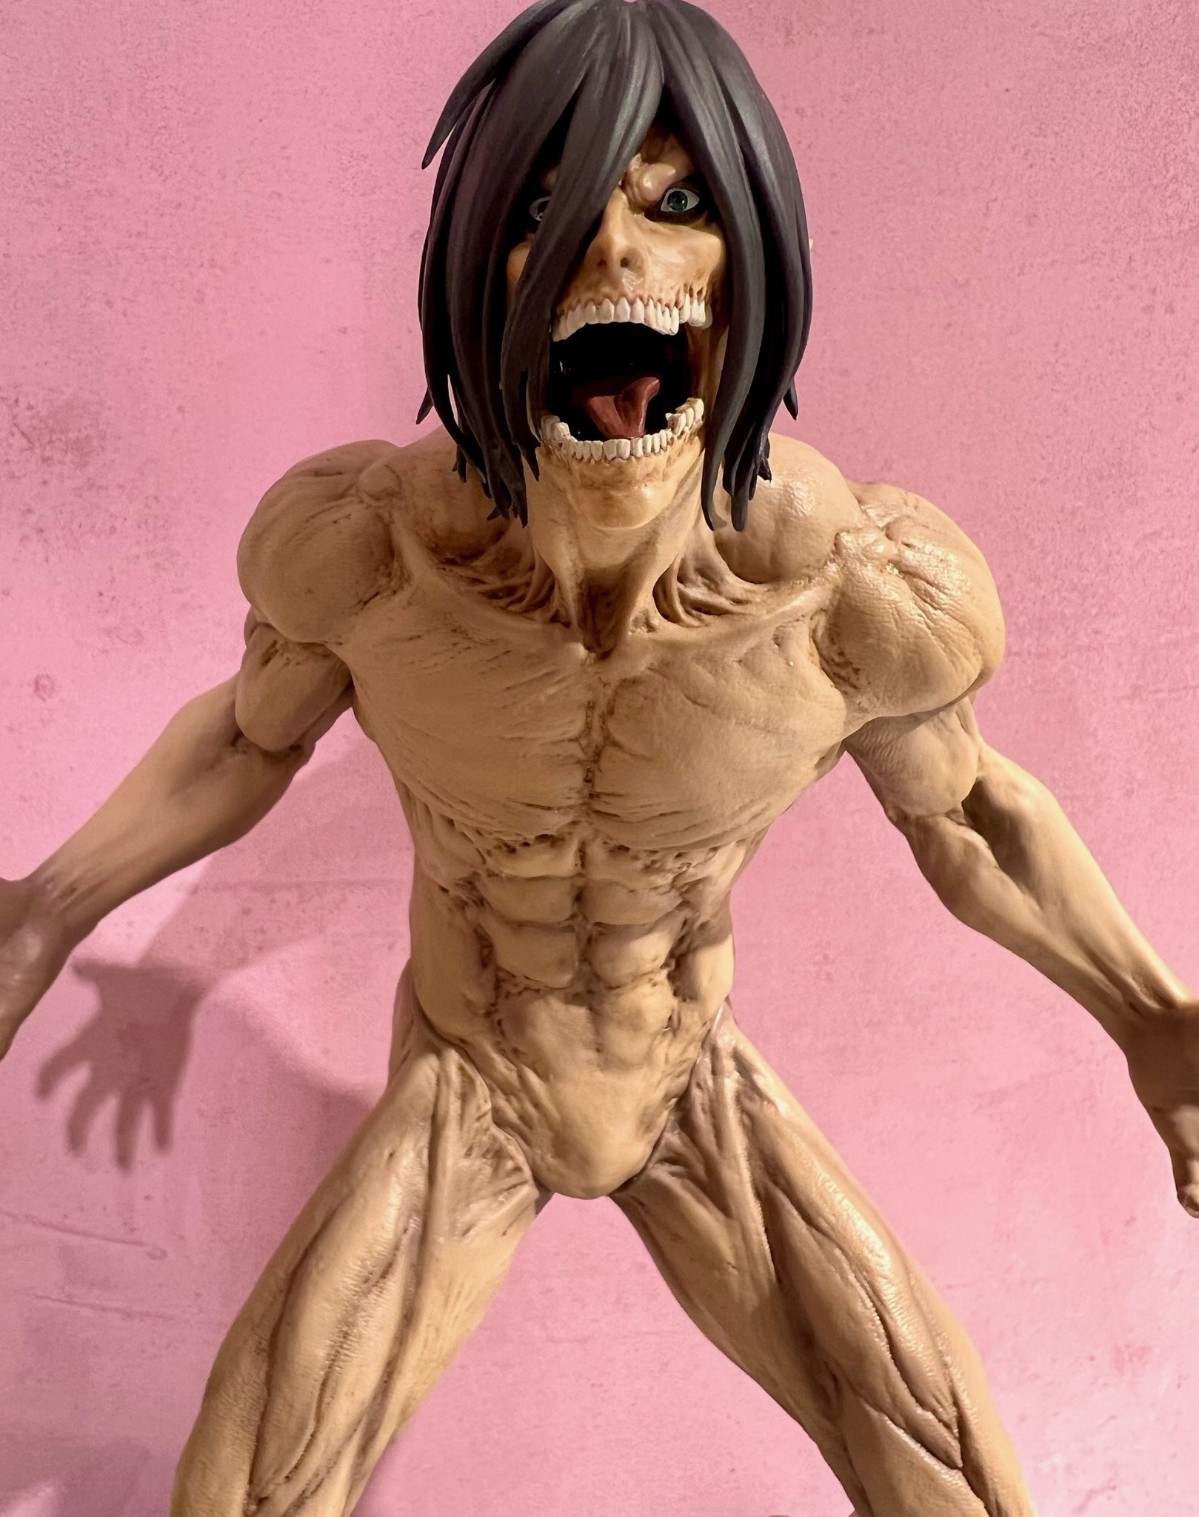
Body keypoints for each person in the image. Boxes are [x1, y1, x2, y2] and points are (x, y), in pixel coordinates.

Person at [2, 2, 1194, 1513]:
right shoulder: (367, 556)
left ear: (753, 268)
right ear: (471, 270)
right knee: (239, 1500)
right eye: (545, 212)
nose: (614, 250)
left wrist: (1151, 1016)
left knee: (956, 1482)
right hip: (474, 1070)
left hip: (685, 1072)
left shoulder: (853, 600)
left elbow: (970, 815)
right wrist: (46, 912)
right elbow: (244, 741)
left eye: (678, 203)